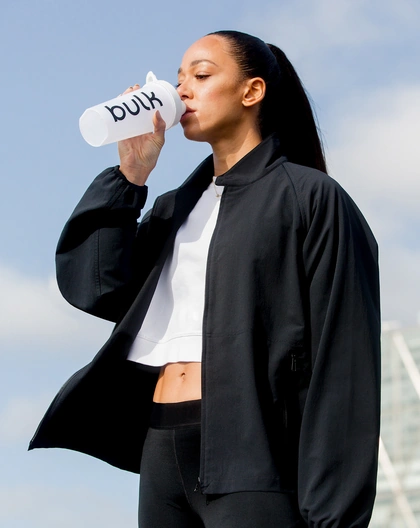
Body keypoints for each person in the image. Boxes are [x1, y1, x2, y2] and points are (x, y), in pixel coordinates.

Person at [29, 30, 381, 527]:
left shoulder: (311, 199)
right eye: (178, 80)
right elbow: (97, 286)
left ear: (252, 91)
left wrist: (334, 514)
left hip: (255, 451)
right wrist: (130, 175)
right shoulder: (176, 207)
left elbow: (345, 356)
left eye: (201, 75)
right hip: (162, 448)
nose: (183, 91)